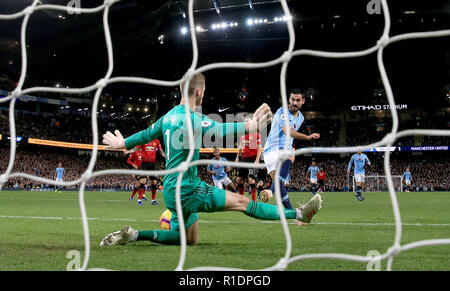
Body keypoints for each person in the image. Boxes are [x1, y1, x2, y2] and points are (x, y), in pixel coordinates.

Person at [100, 73, 322, 247]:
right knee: (242, 202)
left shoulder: (168, 116)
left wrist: (122, 143)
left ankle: (135, 235)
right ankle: (300, 213)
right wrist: (251, 125)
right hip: (187, 189)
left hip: (170, 190)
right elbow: (219, 129)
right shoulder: (194, 118)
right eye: (204, 91)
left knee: (188, 239)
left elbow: (146, 134)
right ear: (198, 91)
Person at [263, 89, 320, 209]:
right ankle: (271, 192)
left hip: (282, 150)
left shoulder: (301, 118)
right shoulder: (282, 111)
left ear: (303, 101)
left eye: (298, 100)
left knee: (279, 185)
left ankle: (292, 213)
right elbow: (288, 131)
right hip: (272, 150)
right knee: (289, 158)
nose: (294, 103)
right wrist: (307, 137)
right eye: (292, 100)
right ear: (289, 100)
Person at [235, 117, 263, 201]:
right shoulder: (243, 135)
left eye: (248, 122)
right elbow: (241, 146)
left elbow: (259, 148)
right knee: (239, 180)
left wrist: (257, 160)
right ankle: (241, 199)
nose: (246, 123)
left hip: (253, 158)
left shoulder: (256, 134)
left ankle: (253, 201)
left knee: (251, 180)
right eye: (245, 122)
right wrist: (237, 157)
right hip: (244, 158)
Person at [139, 139, 166, 205]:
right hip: (144, 164)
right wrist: (128, 151)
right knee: (143, 181)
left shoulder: (157, 141)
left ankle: (153, 200)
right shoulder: (143, 140)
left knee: (154, 182)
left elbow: (161, 151)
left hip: (153, 164)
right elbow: (136, 148)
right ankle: (139, 200)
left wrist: (167, 157)